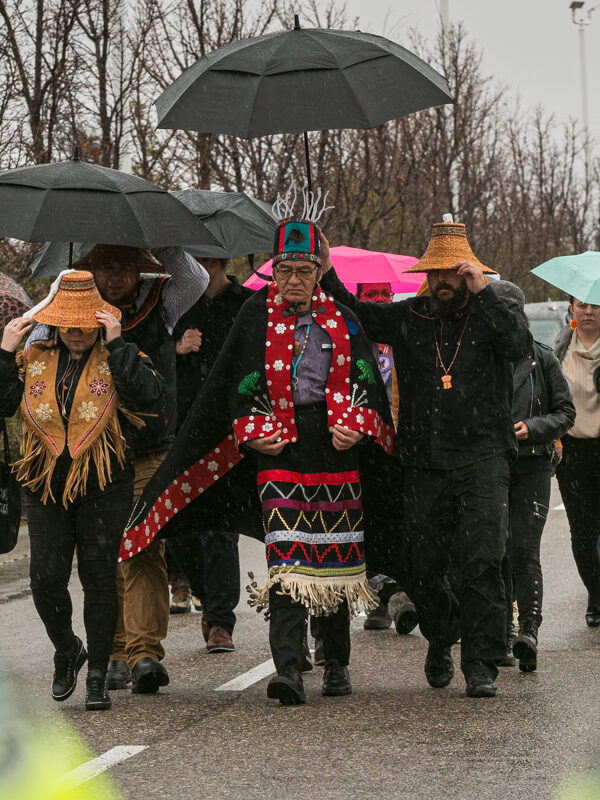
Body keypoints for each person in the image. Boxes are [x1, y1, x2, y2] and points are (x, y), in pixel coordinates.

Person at [119, 185, 402, 706]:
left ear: (319, 271)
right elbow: (235, 382)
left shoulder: (343, 315)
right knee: (288, 560)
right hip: (280, 452)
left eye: (303, 270)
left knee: (336, 560)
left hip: (335, 449)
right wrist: (253, 432)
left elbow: (367, 378)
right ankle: (289, 667)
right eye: (285, 270)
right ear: (273, 270)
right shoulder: (255, 315)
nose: (293, 280)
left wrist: (359, 424)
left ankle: (336, 661)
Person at [319, 215, 532, 698]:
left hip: (483, 460)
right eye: (433, 273)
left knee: (482, 562)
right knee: (421, 564)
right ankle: (442, 634)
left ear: (467, 273)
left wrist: (488, 292)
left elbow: (520, 345)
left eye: (450, 273)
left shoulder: (490, 313)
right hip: (422, 462)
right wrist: (327, 267)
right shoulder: (410, 317)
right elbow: (356, 315)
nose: (440, 282)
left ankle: (479, 664)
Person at [0, 271, 164, 711]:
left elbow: (148, 397)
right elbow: (4, 404)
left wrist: (117, 343)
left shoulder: (122, 354)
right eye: (67, 324)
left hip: (104, 484)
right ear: (55, 323)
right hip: (44, 483)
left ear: (99, 322)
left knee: (98, 580)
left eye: (84, 324)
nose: (75, 333)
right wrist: (3, 353)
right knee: (44, 580)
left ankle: (96, 676)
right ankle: (68, 649)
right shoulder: (32, 355)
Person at [69, 244, 209, 693]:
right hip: (96, 453)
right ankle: (111, 650)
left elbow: (197, 280)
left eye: (124, 266)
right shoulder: (76, 308)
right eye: (105, 266)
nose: (115, 276)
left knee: (143, 546)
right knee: (103, 553)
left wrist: (162, 237)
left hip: (151, 449)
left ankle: (145, 655)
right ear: (92, 269)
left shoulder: (161, 301)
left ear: (139, 269)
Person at [166, 257, 252, 652]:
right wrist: (175, 350)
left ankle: (221, 622)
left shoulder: (247, 305)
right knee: (181, 531)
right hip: (182, 432)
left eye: (200, 261)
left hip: (228, 433)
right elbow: (146, 360)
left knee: (221, 527)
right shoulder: (175, 307)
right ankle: (202, 593)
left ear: (217, 261)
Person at [491, 281, 575, 672]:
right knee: (498, 550)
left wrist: (532, 426)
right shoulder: (479, 358)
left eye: (511, 310)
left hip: (533, 465)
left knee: (523, 548)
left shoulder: (543, 359)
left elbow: (565, 413)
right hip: (490, 466)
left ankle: (528, 630)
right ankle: (503, 631)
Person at [355, 282, 417, 637]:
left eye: (384, 294)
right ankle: (381, 596)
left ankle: (399, 589)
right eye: (371, 295)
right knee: (370, 524)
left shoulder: (403, 334)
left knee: (401, 524)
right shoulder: (350, 338)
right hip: (369, 448)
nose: (379, 300)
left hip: (406, 447)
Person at [553, 296, 600, 628]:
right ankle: (595, 596)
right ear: (571, 309)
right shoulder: (559, 350)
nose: (588, 311)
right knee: (582, 532)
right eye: (582, 304)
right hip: (572, 453)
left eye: (596, 305)